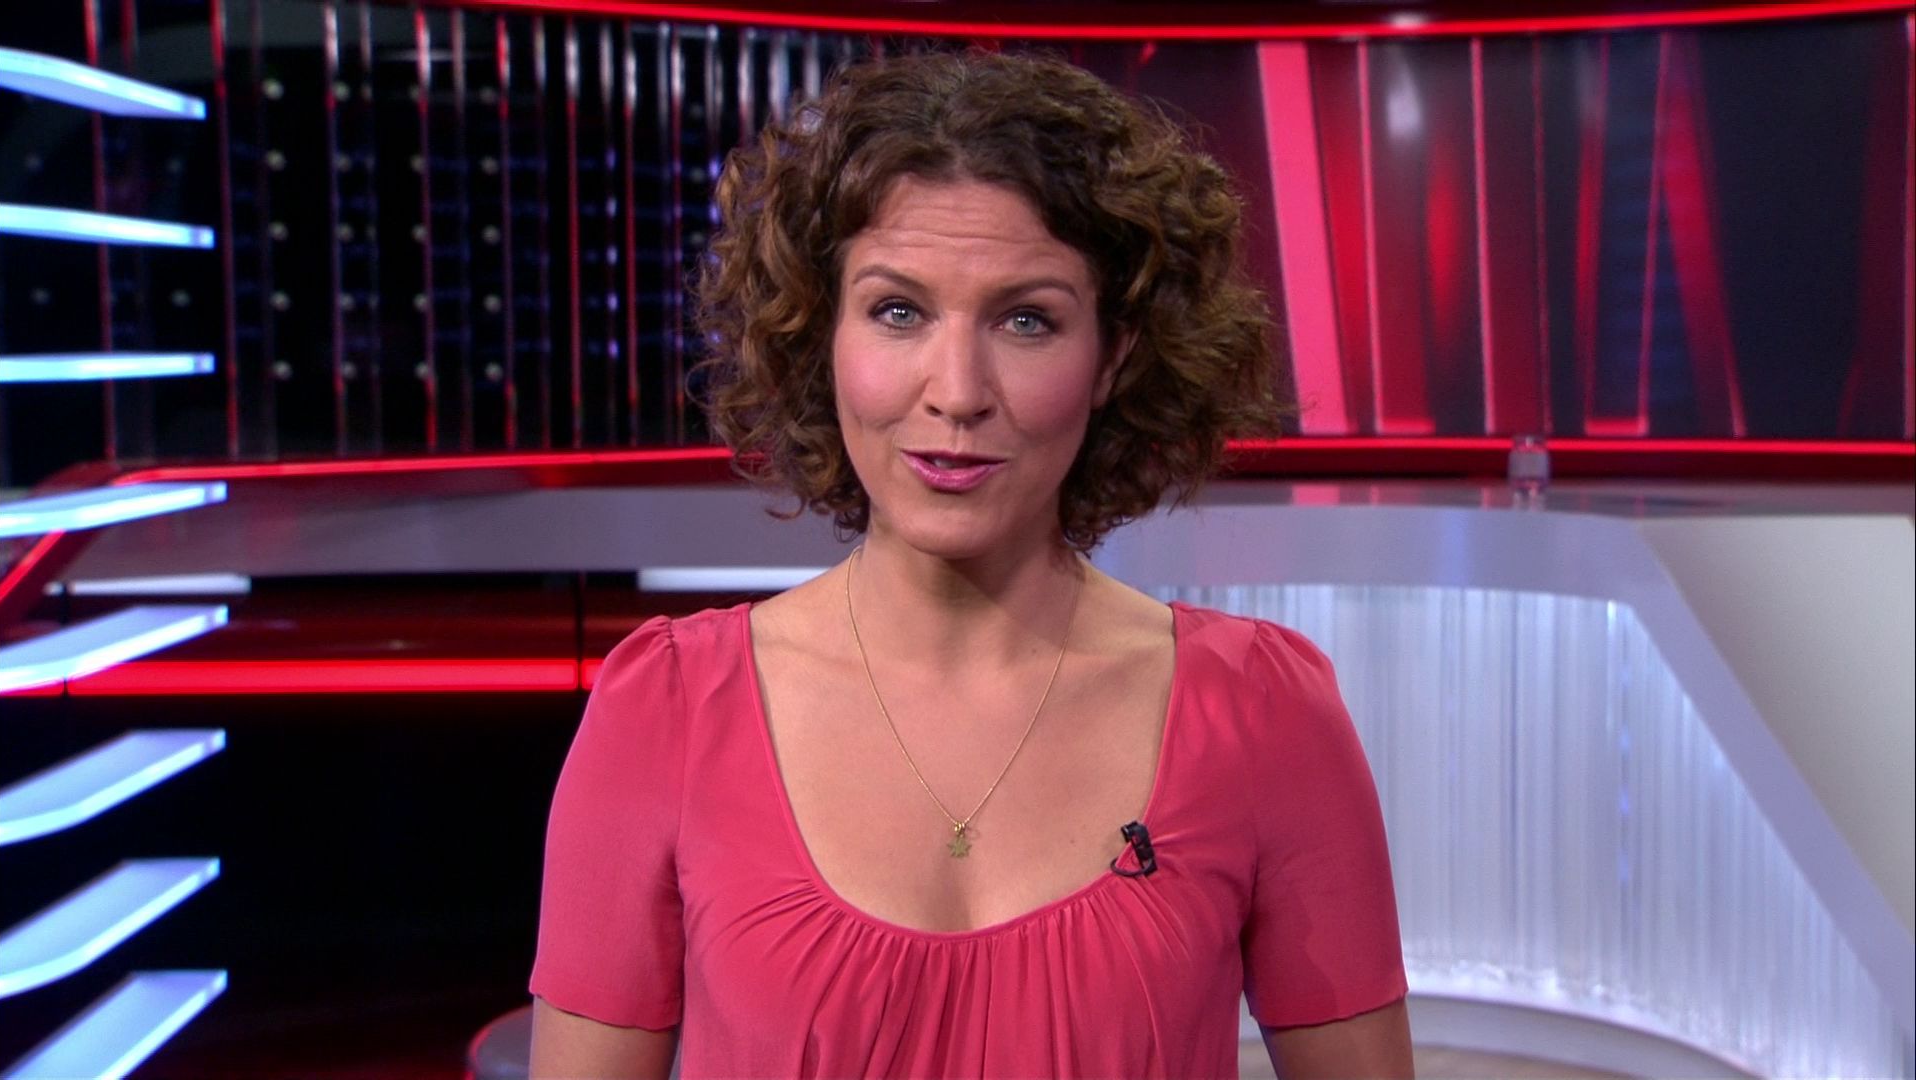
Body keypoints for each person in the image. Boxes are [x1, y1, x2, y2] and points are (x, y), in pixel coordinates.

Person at [527, 49, 1411, 1079]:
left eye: (1026, 320)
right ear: (820, 332)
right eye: (898, 311)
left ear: (1114, 356)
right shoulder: (665, 713)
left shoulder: (1262, 713)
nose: (957, 391)